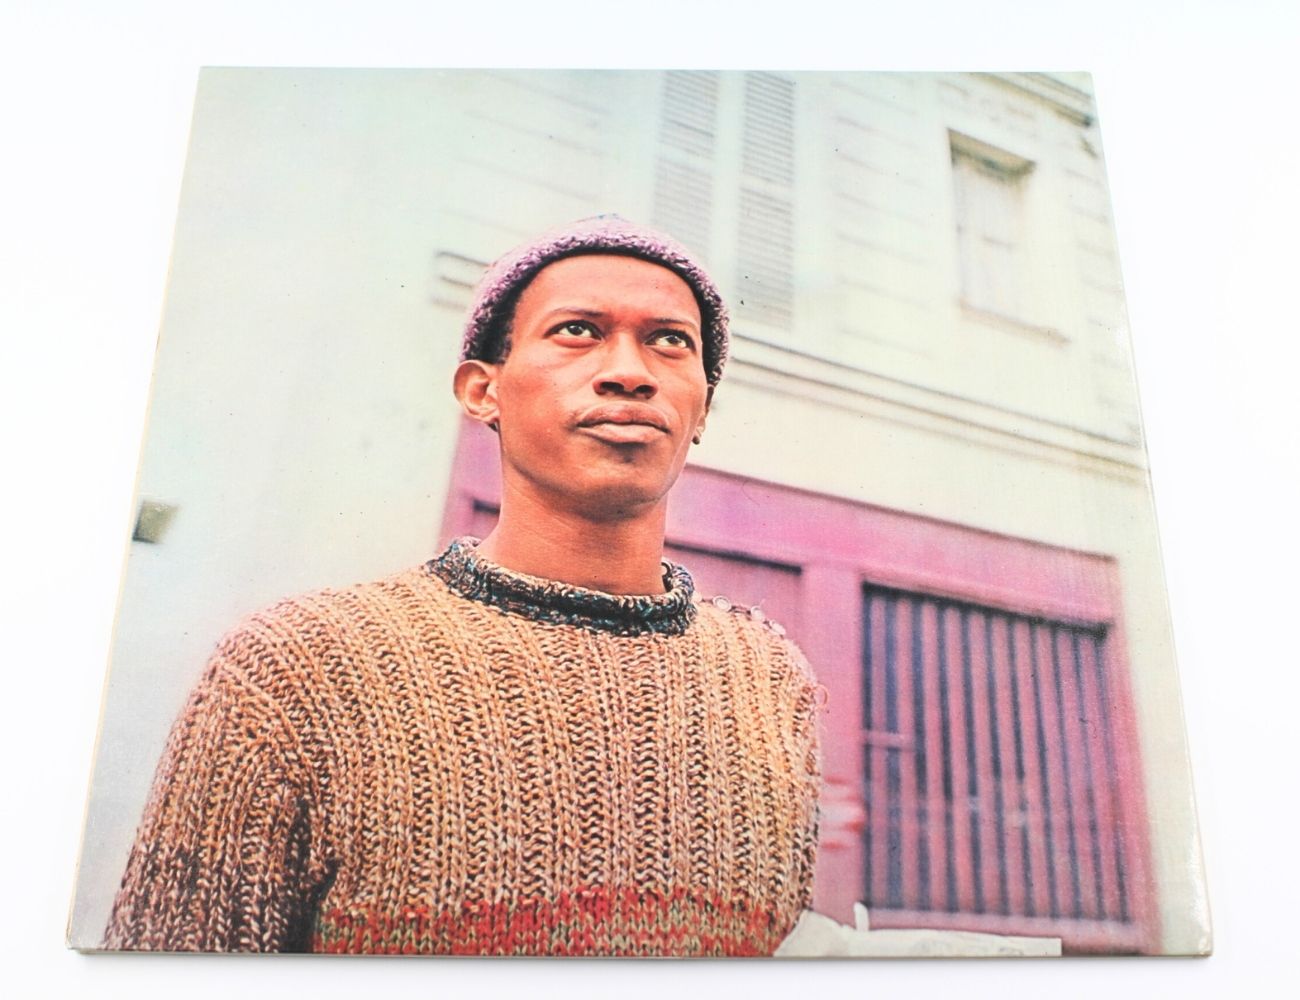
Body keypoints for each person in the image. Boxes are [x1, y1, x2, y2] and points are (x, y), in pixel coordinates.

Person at [104, 216, 822, 956]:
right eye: (577, 331)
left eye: (670, 341)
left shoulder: (767, 679)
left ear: (702, 408)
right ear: (483, 390)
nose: (630, 373)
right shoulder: (295, 668)